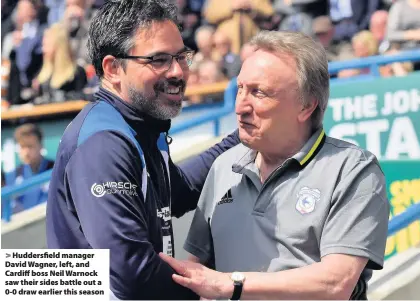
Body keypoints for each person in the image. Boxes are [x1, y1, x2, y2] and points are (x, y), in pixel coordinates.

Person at [160, 31, 390, 300]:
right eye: (241, 89)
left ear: (306, 106)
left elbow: (336, 284)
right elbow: (199, 273)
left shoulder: (352, 171)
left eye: (259, 92)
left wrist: (233, 284)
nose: (241, 106)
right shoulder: (223, 167)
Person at [45, 0, 239, 300]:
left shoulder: (142, 125)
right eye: (159, 60)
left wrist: (242, 139)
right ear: (112, 69)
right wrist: (210, 291)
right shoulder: (105, 142)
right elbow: (132, 274)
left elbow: (178, 191)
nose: (178, 72)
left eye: (181, 56)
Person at [3, 123, 54, 213]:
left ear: (41, 146)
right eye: (22, 147)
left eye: (30, 146)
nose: (26, 152)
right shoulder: (12, 177)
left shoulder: (56, 170)